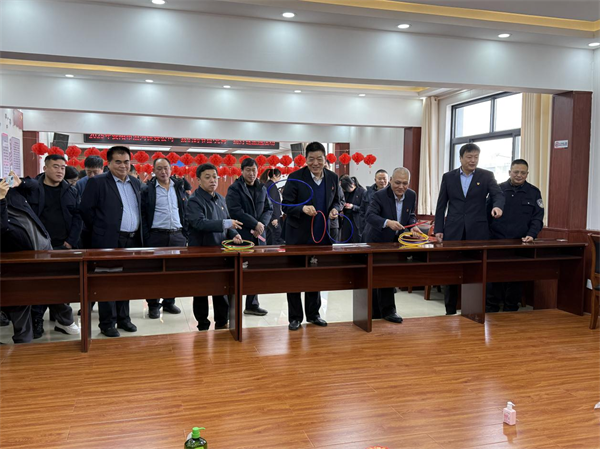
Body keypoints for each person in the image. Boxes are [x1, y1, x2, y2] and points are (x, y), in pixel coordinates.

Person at [14, 156, 82, 338]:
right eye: (55, 167)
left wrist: (71, 241)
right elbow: (19, 185)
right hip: (38, 246)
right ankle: (37, 320)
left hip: (63, 245)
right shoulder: (33, 188)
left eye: (63, 167)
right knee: (39, 285)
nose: (60, 171)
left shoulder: (71, 191)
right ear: (45, 168)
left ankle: (62, 321)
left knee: (62, 284)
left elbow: (78, 217)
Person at [434, 143, 505, 315]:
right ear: (461, 158)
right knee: (451, 271)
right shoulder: (448, 177)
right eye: (469, 157)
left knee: (477, 270)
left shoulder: (486, 175)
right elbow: (441, 204)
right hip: (453, 230)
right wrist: (439, 228)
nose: (473, 160)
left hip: (478, 231)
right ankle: (450, 310)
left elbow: (497, 194)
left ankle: (475, 310)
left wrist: (497, 206)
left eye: (476, 157)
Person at [80, 146, 143, 337]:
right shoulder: (97, 182)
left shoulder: (135, 182)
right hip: (108, 240)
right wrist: (101, 229)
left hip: (132, 241)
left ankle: (124, 319)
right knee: (107, 281)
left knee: (126, 281)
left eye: (126, 162)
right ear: (109, 163)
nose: (123, 166)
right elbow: (86, 210)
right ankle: (107, 323)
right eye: (118, 162)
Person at [282, 142, 343, 330]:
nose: (315, 163)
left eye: (319, 159)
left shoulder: (333, 178)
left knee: (315, 276)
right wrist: (302, 208)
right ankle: (295, 317)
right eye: (311, 159)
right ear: (305, 159)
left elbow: (339, 201)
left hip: (322, 235)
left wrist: (335, 209)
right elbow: (285, 205)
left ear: (325, 159)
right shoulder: (295, 177)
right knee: (294, 277)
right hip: (298, 237)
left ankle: (314, 314)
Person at [186, 163, 243, 331]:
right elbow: (199, 223)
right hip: (201, 253)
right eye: (207, 177)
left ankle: (222, 322)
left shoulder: (220, 198)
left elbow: (228, 222)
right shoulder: (194, 201)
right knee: (201, 291)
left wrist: (234, 234)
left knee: (221, 289)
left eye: (214, 177)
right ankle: (203, 324)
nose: (213, 180)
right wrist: (226, 224)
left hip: (220, 252)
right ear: (198, 180)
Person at [363, 167, 421, 323]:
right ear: (390, 181)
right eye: (397, 183)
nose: (401, 187)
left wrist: (413, 225)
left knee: (388, 276)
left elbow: (411, 215)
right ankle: (374, 313)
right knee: (375, 277)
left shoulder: (411, 195)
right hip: (377, 240)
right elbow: (369, 216)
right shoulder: (379, 195)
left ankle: (389, 311)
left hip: (396, 243)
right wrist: (387, 222)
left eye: (405, 183)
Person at [486, 159, 544, 312]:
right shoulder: (498, 190)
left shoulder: (534, 192)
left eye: (523, 173)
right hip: (497, 241)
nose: (519, 175)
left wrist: (532, 235)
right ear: (509, 172)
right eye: (516, 172)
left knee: (516, 277)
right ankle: (491, 308)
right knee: (494, 276)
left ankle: (511, 309)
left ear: (527, 174)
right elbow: (486, 214)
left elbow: (537, 218)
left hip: (521, 242)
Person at [0, 176, 46, 343]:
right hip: (8, 257)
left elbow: (36, 186)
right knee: (17, 299)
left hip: (25, 253)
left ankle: (24, 339)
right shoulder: (2, 196)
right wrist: (0, 200)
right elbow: (2, 227)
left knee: (24, 298)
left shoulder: (9, 190)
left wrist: (21, 182)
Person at [141, 157, 188, 319]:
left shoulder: (178, 186)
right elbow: (143, 214)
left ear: (171, 169)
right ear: (154, 170)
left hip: (177, 236)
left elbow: (184, 211)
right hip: (156, 236)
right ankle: (153, 305)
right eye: (159, 168)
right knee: (154, 273)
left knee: (174, 272)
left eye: (166, 168)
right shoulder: (147, 189)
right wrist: (147, 236)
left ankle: (169, 302)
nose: (163, 171)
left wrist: (184, 234)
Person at [226, 158, 272, 316]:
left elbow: (268, 208)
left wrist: (261, 225)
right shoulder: (234, 189)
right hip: (242, 235)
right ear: (242, 171)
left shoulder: (262, 187)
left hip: (259, 235)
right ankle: (233, 307)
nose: (251, 173)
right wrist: (254, 224)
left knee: (255, 271)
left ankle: (252, 304)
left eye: (254, 170)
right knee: (239, 270)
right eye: (248, 170)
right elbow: (235, 211)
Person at [359, 169, 389, 239]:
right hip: (370, 229)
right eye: (379, 179)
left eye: (384, 179)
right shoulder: (367, 193)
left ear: (389, 179)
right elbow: (362, 211)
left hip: (388, 229)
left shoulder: (393, 193)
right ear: (375, 180)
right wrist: (363, 227)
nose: (382, 181)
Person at [260, 168, 285, 245]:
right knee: (277, 237)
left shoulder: (267, 185)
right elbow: (272, 203)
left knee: (270, 237)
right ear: (274, 176)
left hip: (268, 216)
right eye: (279, 176)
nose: (280, 178)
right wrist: (275, 217)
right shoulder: (272, 186)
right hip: (272, 217)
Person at [340, 175, 366, 243]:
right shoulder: (345, 192)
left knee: (357, 239)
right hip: (346, 218)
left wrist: (353, 207)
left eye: (348, 188)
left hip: (357, 220)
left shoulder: (362, 192)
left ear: (353, 184)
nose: (347, 191)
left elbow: (365, 208)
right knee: (346, 239)